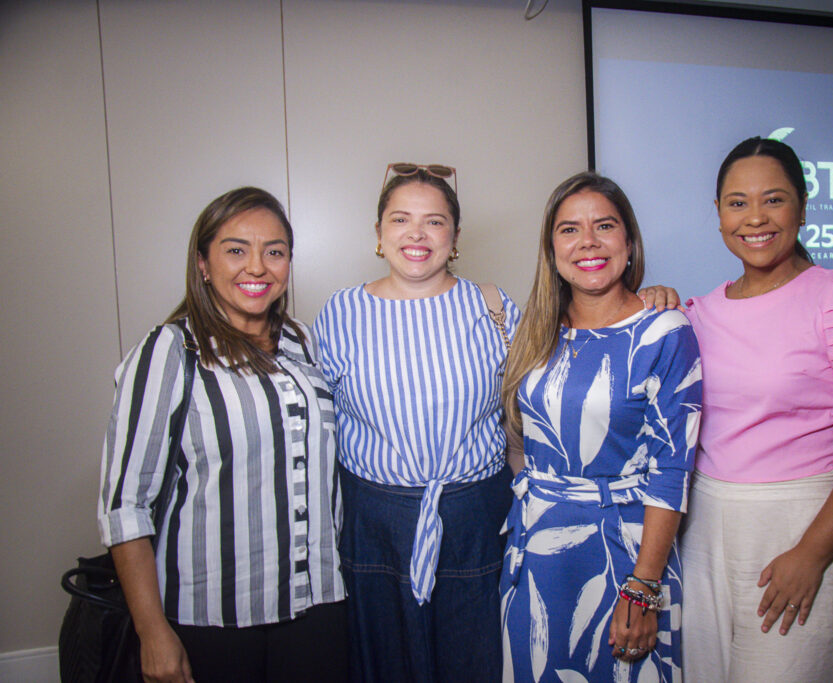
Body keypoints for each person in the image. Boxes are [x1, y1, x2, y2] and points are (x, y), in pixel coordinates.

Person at [681, 137, 833, 682]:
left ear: (803, 208)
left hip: (801, 526)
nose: (755, 217)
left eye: (774, 199)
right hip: (704, 530)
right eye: (737, 202)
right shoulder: (698, 311)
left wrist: (812, 553)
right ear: (717, 213)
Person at [98, 187, 347, 683]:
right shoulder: (171, 351)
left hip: (318, 607)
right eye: (236, 250)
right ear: (204, 264)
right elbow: (124, 507)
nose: (257, 267)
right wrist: (153, 631)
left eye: (274, 251)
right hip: (214, 619)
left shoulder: (303, 341)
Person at [314, 163, 521, 682]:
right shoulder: (341, 312)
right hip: (374, 521)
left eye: (434, 221)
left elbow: (531, 409)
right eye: (400, 219)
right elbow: (315, 421)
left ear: (454, 238)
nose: (417, 234)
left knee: (475, 663)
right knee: (384, 666)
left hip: (474, 516)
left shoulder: (494, 307)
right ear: (379, 234)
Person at [499, 172, 702, 682]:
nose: (587, 241)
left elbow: (672, 468)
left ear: (628, 242)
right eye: (569, 229)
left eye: (604, 226)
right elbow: (522, 442)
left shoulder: (663, 331)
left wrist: (642, 588)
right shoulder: (539, 329)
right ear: (551, 248)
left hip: (624, 556)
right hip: (536, 552)